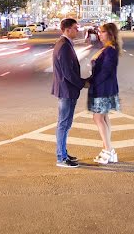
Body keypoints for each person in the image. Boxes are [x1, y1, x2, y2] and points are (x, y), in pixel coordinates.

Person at [52, 18, 85, 168]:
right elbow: (67, 73)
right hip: (66, 90)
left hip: (67, 89)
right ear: (67, 30)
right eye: (75, 28)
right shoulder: (64, 46)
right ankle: (61, 158)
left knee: (66, 123)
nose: (77, 30)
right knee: (63, 124)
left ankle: (63, 153)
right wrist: (83, 83)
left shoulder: (65, 44)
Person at [87, 22, 122, 165]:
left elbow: (106, 71)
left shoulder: (110, 50)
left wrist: (92, 81)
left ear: (110, 34)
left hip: (103, 89)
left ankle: (107, 150)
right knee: (104, 118)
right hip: (104, 87)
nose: (99, 34)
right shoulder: (106, 49)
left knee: (97, 118)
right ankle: (110, 151)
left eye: (102, 32)